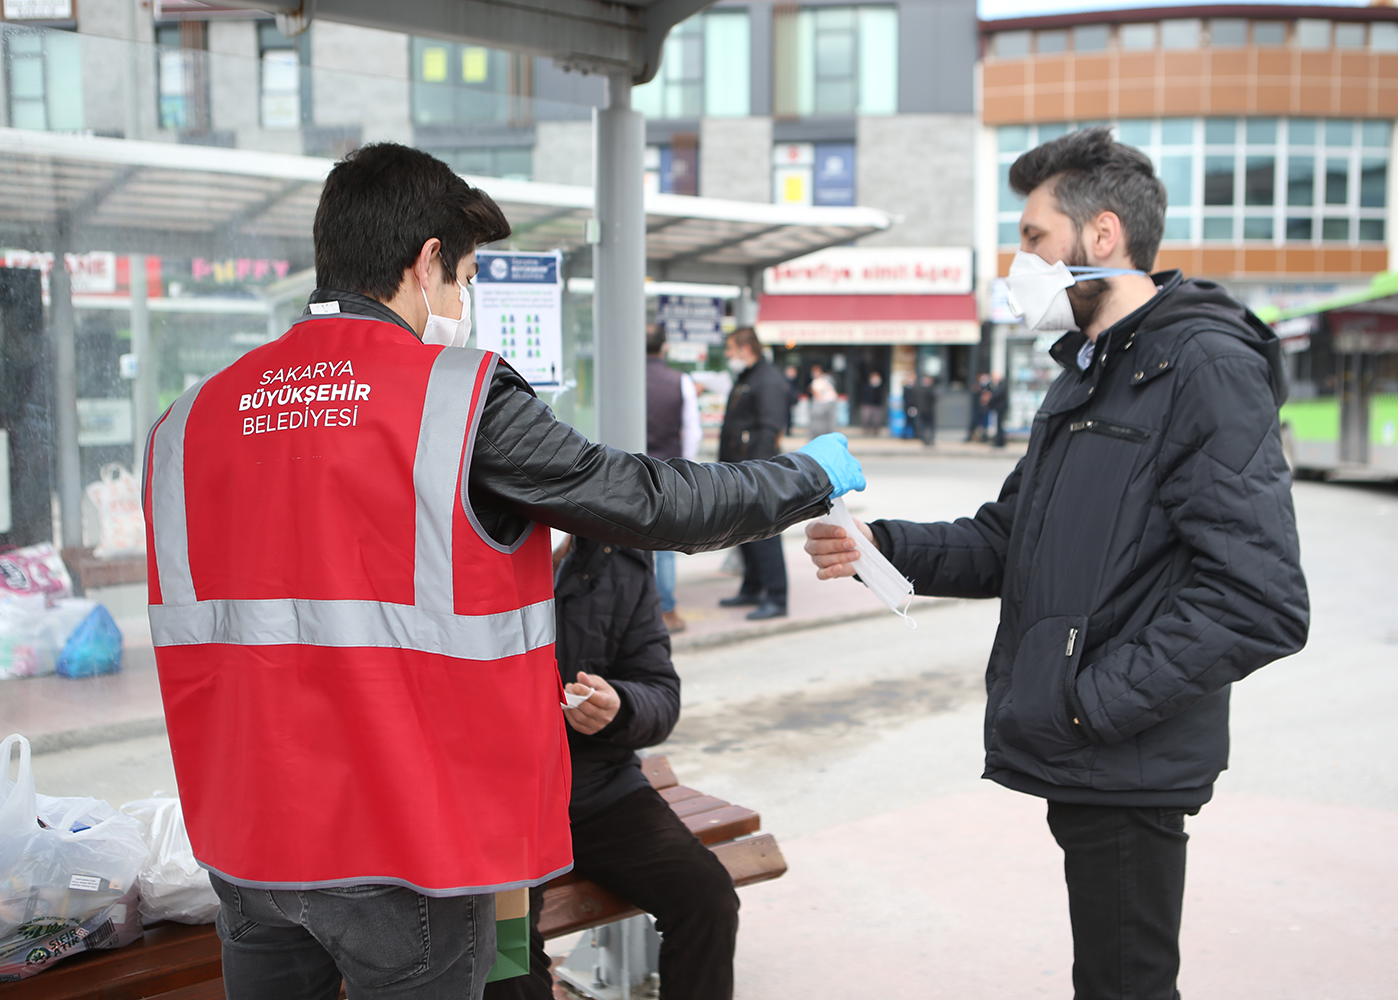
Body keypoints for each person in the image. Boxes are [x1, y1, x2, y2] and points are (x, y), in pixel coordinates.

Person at [143, 143, 864, 1000]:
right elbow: (648, 500)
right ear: (427, 262)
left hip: (245, 844)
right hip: (396, 849)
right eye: (465, 279)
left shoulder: (190, 420)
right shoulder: (450, 399)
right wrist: (806, 477)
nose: (461, 303)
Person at [804, 126, 1309, 1000]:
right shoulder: (1089, 372)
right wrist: (878, 546)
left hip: (1126, 755)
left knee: (1125, 986)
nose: (1019, 259)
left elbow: (1260, 599)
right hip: (1098, 756)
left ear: (1101, 236)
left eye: (1033, 237)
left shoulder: (1204, 367)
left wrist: (1094, 704)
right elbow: (1008, 539)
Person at [485, 534, 736, 1000]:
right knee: (506, 959)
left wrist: (618, 707)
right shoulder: (471, 546)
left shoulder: (615, 551)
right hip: (496, 805)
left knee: (706, 895)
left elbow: (660, 693)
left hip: (597, 788)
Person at [718, 327, 792, 621]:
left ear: (746, 348)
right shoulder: (748, 377)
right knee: (744, 532)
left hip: (755, 470)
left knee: (765, 533)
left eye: (730, 348)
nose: (727, 355)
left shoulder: (768, 380)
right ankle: (752, 587)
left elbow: (770, 427)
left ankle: (777, 596)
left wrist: (756, 471)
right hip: (740, 467)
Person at [644, 323, 703, 634]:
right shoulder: (681, 381)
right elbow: (692, 431)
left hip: (628, 469)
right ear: (664, 348)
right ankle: (666, 611)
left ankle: (636, 610)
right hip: (667, 471)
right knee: (664, 544)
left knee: (629, 542)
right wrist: (687, 471)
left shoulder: (624, 378)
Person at [807, 363, 839, 437]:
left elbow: (817, 394)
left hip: (822, 404)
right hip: (831, 402)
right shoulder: (828, 378)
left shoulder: (817, 381)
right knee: (831, 423)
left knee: (819, 424)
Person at [907, 374, 937, 447]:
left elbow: (913, 400)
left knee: (923, 426)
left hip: (922, 410)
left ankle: (926, 440)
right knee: (928, 426)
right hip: (927, 410)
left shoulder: (917, 389)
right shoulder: (930, 389)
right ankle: (929, 440)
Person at [985, 374, 1009, 448]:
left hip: (1001, 408)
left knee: (1000, 425)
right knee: (997, 425)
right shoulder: (993, 385)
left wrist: (990, 397)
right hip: (997, 408)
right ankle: (998, 441)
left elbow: (998, 395)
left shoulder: (1002, 385)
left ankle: (1000, 441)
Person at [859, 370, 886, 436]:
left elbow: (881, 396)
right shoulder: (867, 386)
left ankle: (876, 431)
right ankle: (865, 429)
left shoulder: (880, 387)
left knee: (876, 419)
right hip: (868, 404)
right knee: (866, 417)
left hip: (876, 404)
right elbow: (864, 394)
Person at [968, 372, 992, 442]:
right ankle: (970, 436)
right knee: (975, 422)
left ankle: (983, 438)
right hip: (977, 408)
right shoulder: (977, 386)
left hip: (984, 408)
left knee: (984, 424)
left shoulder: (988, 386)